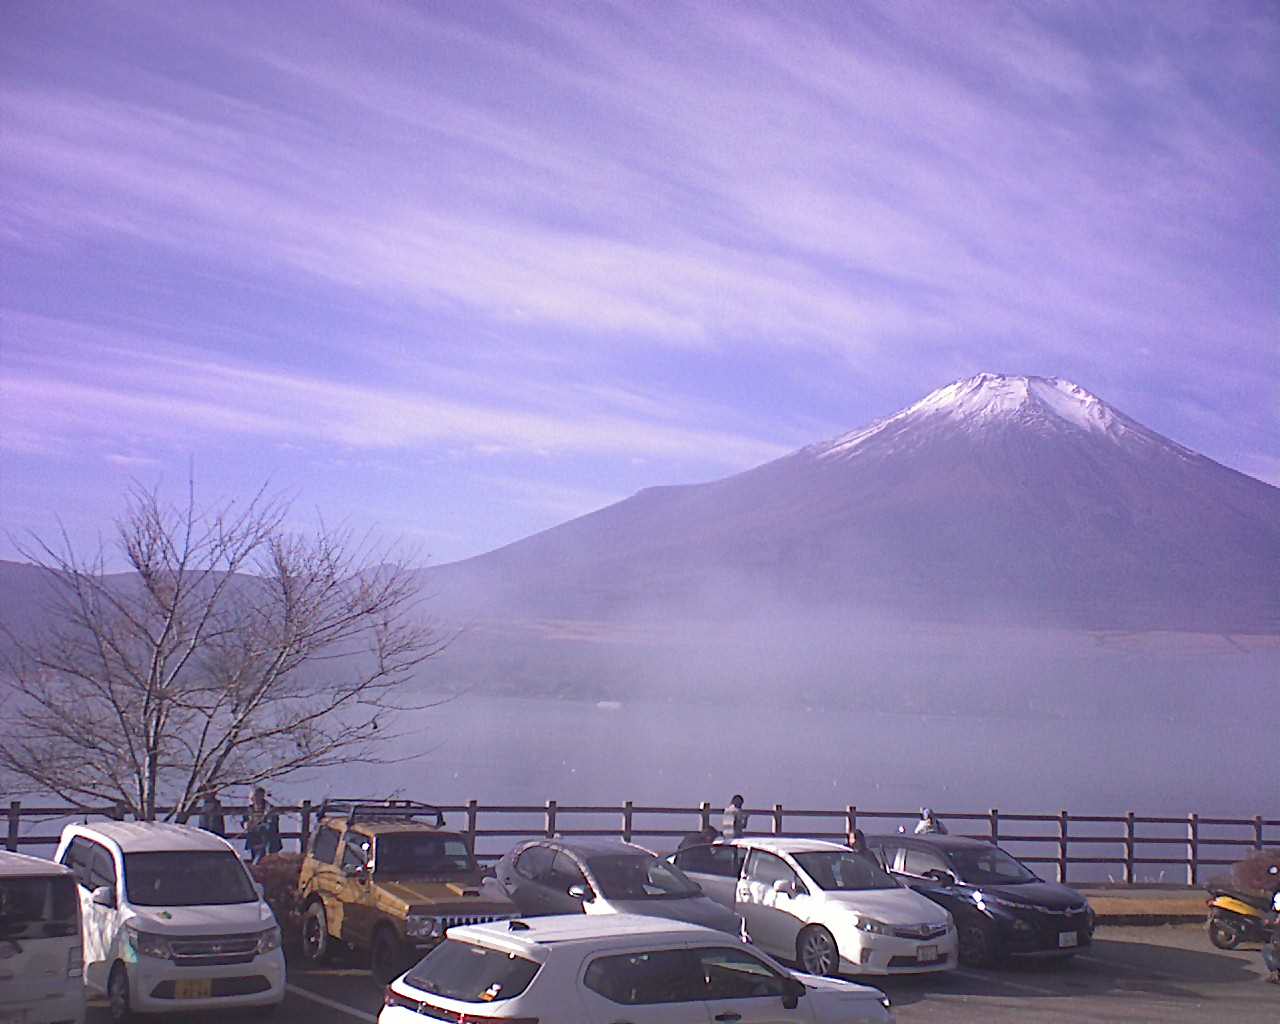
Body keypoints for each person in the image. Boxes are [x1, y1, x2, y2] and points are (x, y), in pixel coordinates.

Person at [242, 787, 282, 864]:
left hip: (268, 840)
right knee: (255, 858)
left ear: (262, 796)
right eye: (252, 796)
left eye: (256, 795)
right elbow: (244, 820)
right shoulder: (249, 809)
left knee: (262, 861)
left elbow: (272, 825)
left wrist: (257, 826)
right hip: (254, 840)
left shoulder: (270, 809)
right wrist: (245, 825)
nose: (254, 798)